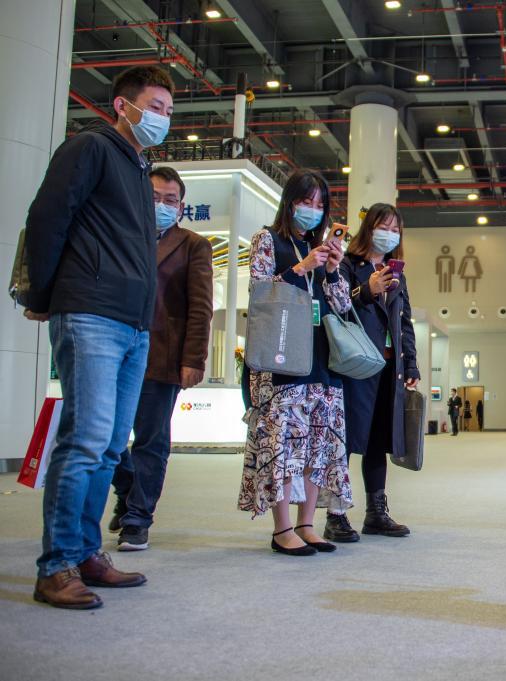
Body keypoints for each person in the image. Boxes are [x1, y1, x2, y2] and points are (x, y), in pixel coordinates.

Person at [23, 66, 175, 609]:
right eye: (154, 106)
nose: (163, 118)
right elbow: (47, 218)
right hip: (89, 313)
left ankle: (87, 552)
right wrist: (41, 294)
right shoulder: (90, 148)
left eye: (168, 111)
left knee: (111, 447)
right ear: (122, 105)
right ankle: (57, 564)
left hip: (132, 324)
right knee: (85, 441)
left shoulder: (138, 167)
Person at [237, 169, 351, 555]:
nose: (312, 210)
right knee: (285, 442)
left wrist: (332, 271)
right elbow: (259, 292)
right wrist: (300, 269)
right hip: (283, 357)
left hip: (322, 358)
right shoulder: (268, 239)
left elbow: (343, 307)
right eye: (305, 202)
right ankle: (282, 528)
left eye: (319, 205)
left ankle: (307, 523)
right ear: (289, 203)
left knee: (318, 443)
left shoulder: (320, 249)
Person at [107, 167, 213, 551]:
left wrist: (194, 359)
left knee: (151, 440)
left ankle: (138, 518)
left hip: (163, 355)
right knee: (107, 436)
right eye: (155, 197)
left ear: (181, 207)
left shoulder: (193, 245)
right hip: (112, 351)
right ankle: (127, 488)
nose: (162, 205)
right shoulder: (118, 235)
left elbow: (201, 308)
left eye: (170, 200)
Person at [323, 203, 420, 543]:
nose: (389, 234)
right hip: (355, 362)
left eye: (395, 229)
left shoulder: (397, 273)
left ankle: (376, 512)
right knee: (347, 438)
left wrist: (411, 363)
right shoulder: (348, 264)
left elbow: (404, 321)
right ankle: (335, 513)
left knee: (379, 438)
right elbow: (337, 305)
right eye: (384, 227)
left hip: (389, 365)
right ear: (369, 228)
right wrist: (368, 289)